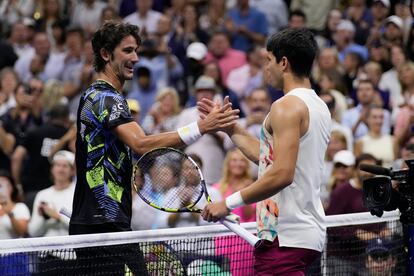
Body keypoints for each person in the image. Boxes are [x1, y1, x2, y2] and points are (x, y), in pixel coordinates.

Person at [69, 21, 239, 275]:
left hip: (106, 220)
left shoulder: (101, 96)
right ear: (105, 54)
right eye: (127, 51)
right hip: (101, 222)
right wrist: (201, 128)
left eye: (136, 50)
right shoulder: (105, 97)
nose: (135, 58)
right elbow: (141, 143)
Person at [200, 28, 331, 274]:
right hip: (303, 235)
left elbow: (282, 173)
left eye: (268, 60)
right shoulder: (318, 105)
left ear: (283, 63)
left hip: (285, 236)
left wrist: (227, 203)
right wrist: (232, 128)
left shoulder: (286, 106)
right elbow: (269, 159)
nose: (265, 68)